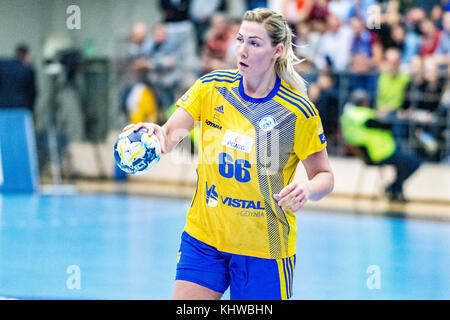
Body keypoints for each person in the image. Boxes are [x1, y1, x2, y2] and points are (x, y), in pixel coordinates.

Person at [122, 7, 334, 300]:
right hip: (204, 237)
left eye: (255, 43)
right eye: (240, 40)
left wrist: (308, 188)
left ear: (278, 50)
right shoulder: (211, 88)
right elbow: (169, 137)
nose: (242, 51)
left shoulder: (297, 112)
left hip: (264, 248)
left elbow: (325, 176)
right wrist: (155, 134)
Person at [340, 90, 421, 202]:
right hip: (380, 153)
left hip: (367, 155)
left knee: (402, 162)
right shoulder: (365, 116)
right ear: (364, 103)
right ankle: (394, 187)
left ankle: (396, 190)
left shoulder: (348, 115)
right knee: (414, 162)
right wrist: (393, 114)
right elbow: (386, 125)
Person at [0, 44, 37, 114]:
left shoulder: (2, 65)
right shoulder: (28, 70)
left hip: (2, 107)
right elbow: (33, 93)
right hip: (22, 107)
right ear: (26, 55)